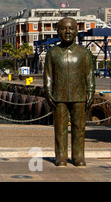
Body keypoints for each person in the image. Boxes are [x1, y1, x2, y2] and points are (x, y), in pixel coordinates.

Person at [43, 17, 95, 167]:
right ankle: (61, 156)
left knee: (79, 128)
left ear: (76, 31)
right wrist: (48, 91)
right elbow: (48, 75)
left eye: (71, 28)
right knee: (60, 128)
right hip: (58, 96)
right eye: (64, 28)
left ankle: (78, 156)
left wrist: (90, 91)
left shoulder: (84, 53)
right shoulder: (52, 53)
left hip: (79, 96)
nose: (67, 32)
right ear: (58, 31)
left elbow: (89, 74)